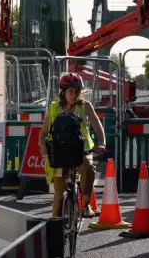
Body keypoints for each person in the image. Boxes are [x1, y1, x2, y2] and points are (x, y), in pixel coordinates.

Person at [39, 72, 106, 219]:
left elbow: (97, 124)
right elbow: (43, 132)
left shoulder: (85, 106)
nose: (73, 94)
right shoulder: (53, 108)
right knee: (59, 189)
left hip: (82, 149)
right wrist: (43, 146)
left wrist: (102, 143)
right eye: (70, 91)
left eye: (76, 91)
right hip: (59, 151)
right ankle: (55, 221)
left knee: (88, 167)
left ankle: (86, 204)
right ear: (63, 92)